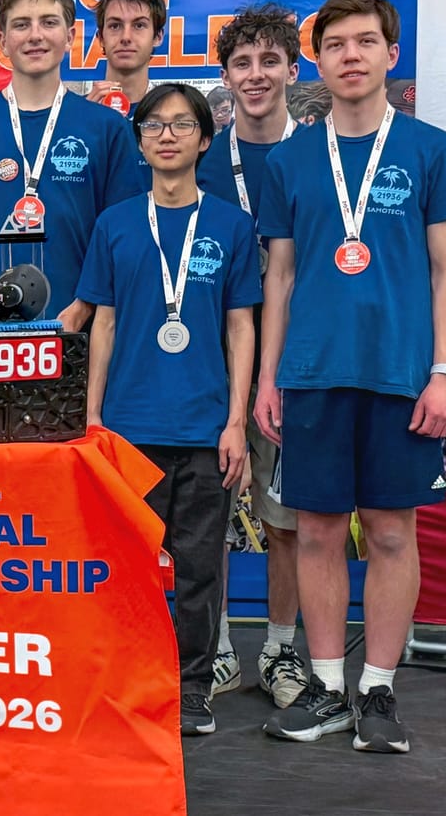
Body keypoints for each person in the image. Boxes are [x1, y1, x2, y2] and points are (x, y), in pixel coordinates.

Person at [255, 0, 446, 753]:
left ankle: (377, 691)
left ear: (391, 53)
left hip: (401, 375)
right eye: (336, 43)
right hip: (312, 374)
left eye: (365, 41)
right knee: (315, 532)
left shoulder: (430, 148)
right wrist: (268, 378)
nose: (351, 55)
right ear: (317, 60)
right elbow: (280, 277)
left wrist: (444, 372)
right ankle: (326, 688)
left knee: (389, 530)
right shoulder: (289, 159)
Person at [77, 83, 260, 736]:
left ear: (205, 139)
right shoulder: (115, 224)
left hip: (205, 429)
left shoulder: (231, 226)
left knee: (199, 569)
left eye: (182, 125)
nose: (167, 136)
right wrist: (92, 419)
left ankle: (190, 690)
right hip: (128, 429)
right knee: (126, 570)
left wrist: (236, 422)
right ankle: (130, 682)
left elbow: (241, 328)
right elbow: (102, 324)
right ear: (140, 141)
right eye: (154, 125)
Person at [197, 4, 307, 709]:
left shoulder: (321, 155)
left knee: (284, 517)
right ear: (227, 76)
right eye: (243, 62)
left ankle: (279, 649)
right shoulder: (202, 159)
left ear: (293, 70)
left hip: (296, 364)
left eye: (270, 61)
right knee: (206, 512)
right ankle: (212, 651)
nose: (256, 74)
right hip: (213, 360)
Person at [0, 0, 142, 333]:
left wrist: (82, 309)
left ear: (70, 36)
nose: (35, 35)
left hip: (80, 332)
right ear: (2, 40)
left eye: (49, 22)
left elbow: (123, 237)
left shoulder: (107, 128)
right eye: (21, 24)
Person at [86, 0, 167, 191]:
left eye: (139, 25)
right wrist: (82, 127)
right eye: (115, 26)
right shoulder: (74, 116)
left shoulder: (171, 117)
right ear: (100, 37)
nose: (126, 37)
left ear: (158, 36)